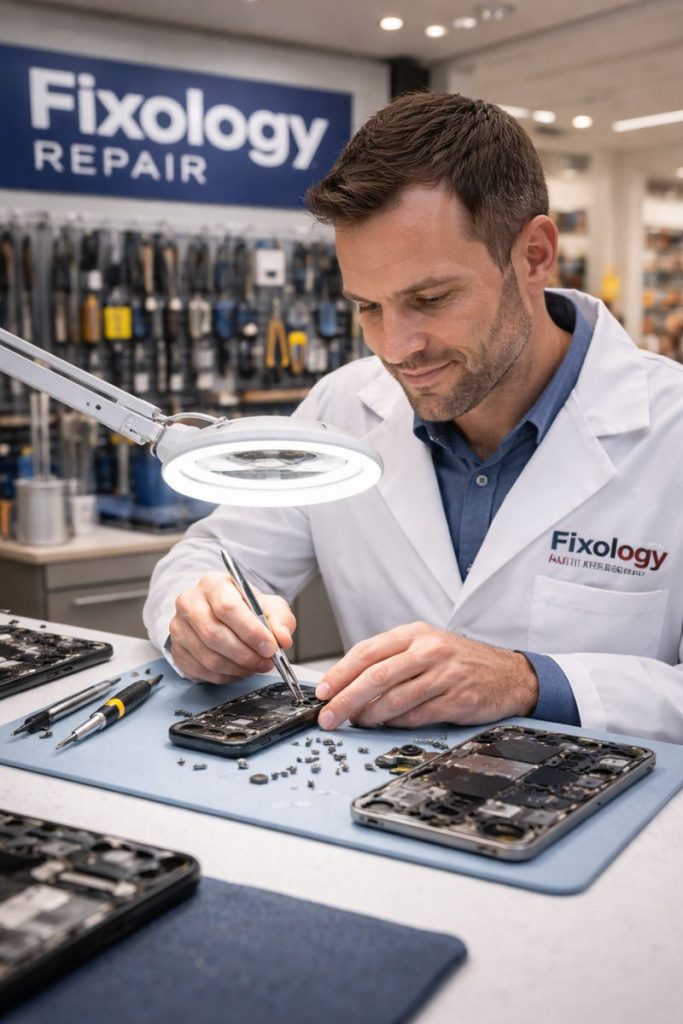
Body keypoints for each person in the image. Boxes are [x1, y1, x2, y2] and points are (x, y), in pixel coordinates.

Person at [144, 92, 683, 743]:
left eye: (429, 298)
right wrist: (203, 616)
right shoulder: (344, 406)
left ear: (535, 255)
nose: (395, 347)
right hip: (370, 815)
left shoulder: (667, 428)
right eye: (367, 307)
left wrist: (528, 681)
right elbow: (215, 554)